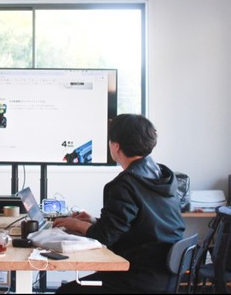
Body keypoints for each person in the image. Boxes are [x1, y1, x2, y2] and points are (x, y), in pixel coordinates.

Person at [53, 114, 185, 294]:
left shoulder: (125, 184)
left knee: (66, 292)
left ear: (116, 146)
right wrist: (93, 221)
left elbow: (105, 236)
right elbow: (137, 224)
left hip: (137, 277)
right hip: (166, 275)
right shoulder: (162, 174)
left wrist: (75, 224)